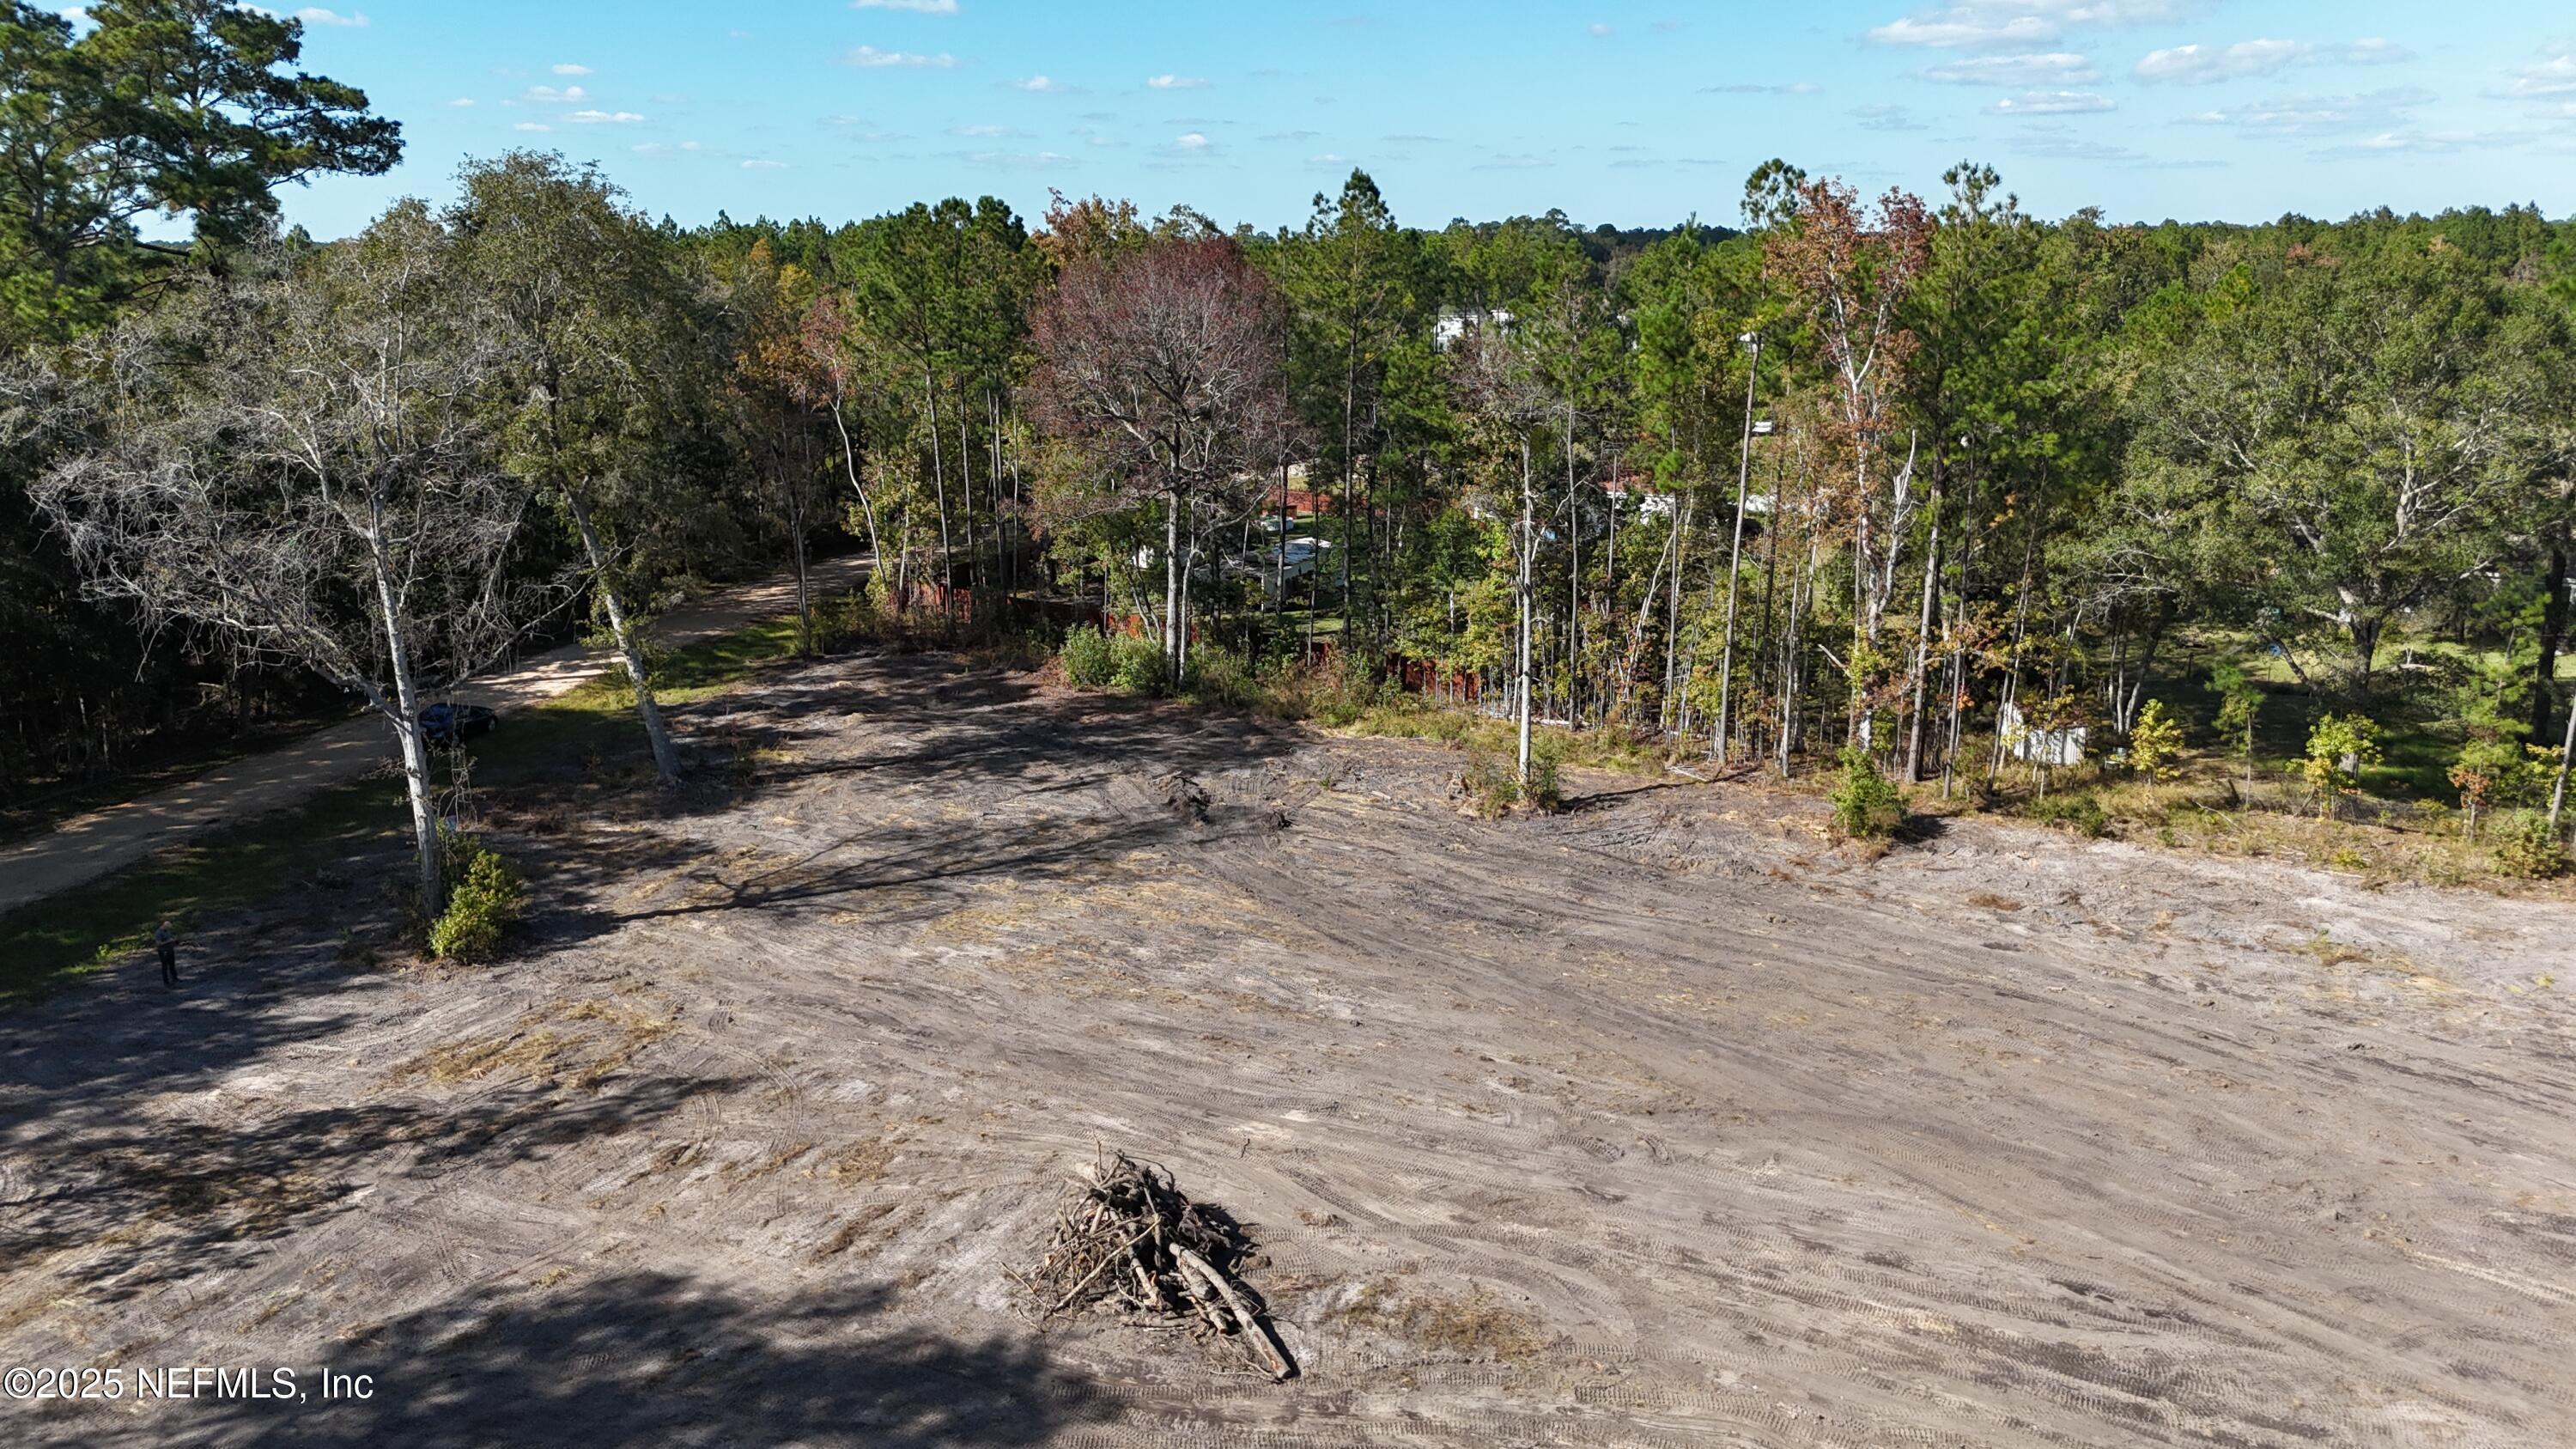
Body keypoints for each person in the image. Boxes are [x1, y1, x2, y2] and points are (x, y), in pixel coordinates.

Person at [154, 921, 179, 988]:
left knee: (172, 965)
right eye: (168, 928)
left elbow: (171, 938)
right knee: (165, 966)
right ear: (164, 926)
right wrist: (168, 941)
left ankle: (174, 978)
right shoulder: (158, 933)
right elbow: (158, 944)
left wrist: (174, 941)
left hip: (170, 950)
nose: (168, 930)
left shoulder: (167, 931)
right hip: (163, 951)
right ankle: (166, 982)